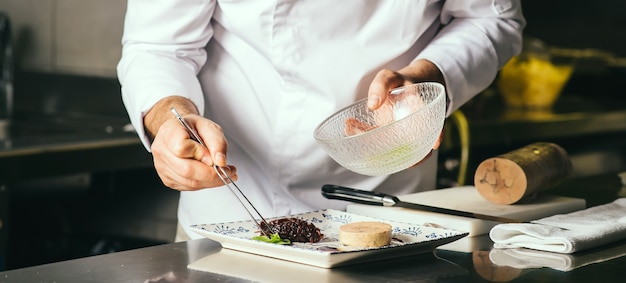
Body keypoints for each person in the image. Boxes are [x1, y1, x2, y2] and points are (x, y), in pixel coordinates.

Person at [117, 0, 525, 241]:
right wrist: (171, 117)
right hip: (235, 207)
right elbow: (157, 45)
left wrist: (427, 79)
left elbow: (491, 17)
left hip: (390, 204)